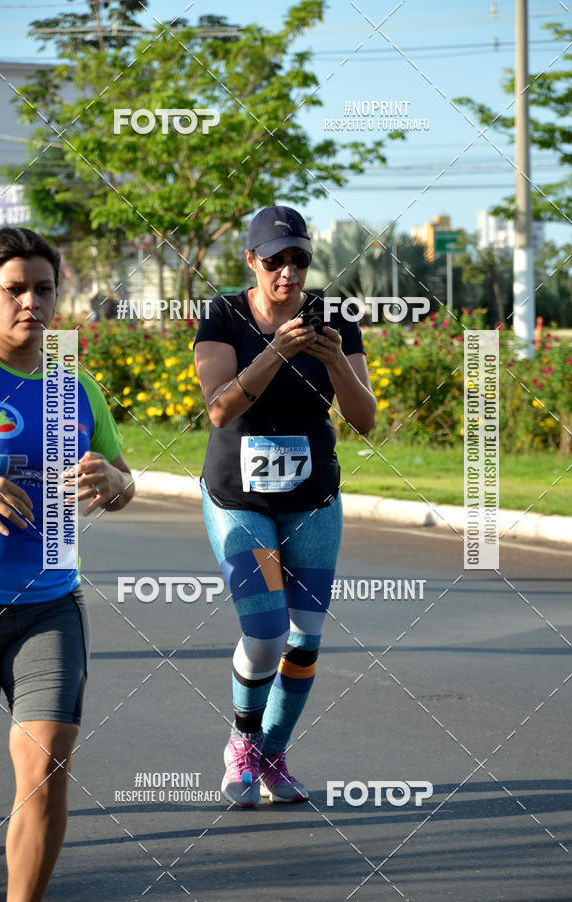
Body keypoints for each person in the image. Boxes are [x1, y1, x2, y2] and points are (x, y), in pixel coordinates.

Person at [194, 205, 377, 807]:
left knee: (306, 637)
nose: (289, 273)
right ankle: (242, 742)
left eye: (299, 259)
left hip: (311, 497)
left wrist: (329, 361)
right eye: (276, 261)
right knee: (267, 629)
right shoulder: (222, 314)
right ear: (252, 261)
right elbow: (219, 408)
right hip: (238, 495)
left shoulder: (333, 317)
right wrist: (275, 350)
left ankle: (271, 753)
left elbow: (365, 418)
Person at [0, 227, 135, 901]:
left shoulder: (78, 389)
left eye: (44, 289)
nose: (30, 303)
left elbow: (125, 480)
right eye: (15, 289)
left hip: (51, 607)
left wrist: (113, 484)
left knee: (43, 771)